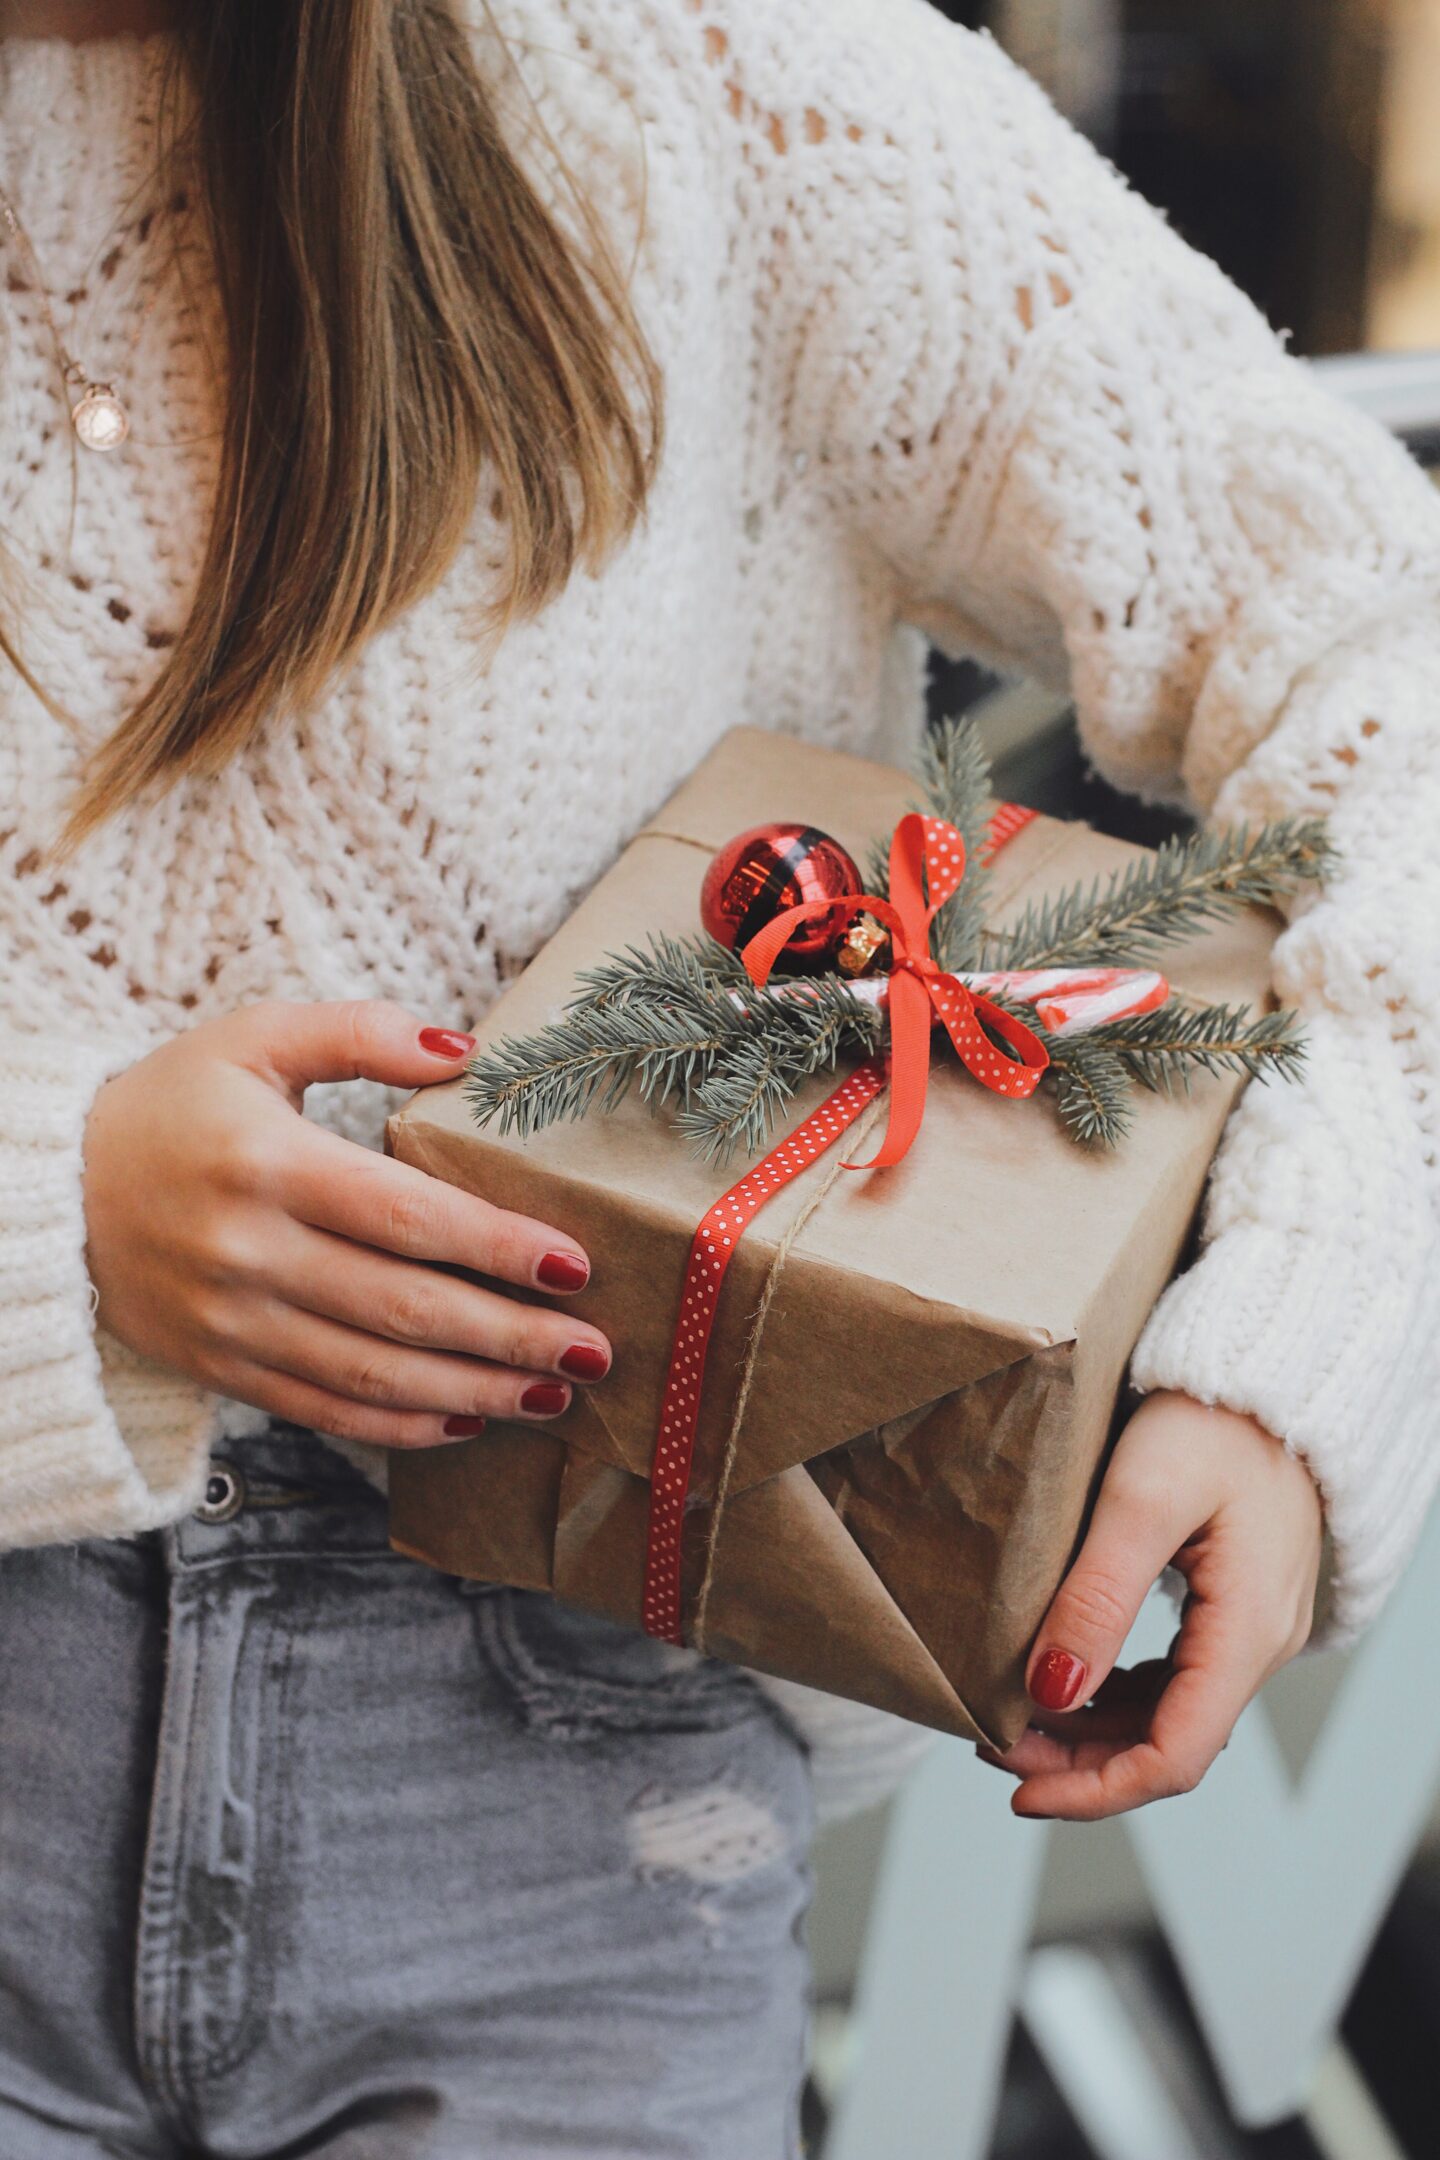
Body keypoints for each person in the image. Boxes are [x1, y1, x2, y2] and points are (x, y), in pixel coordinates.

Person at [0, 0, 1435, 2151]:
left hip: (582, 1792)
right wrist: (51, 1216)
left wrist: (1301, 1324)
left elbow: (1383, 656)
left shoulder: (717, 70)